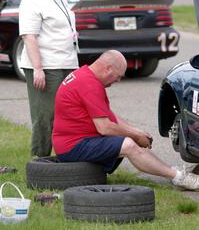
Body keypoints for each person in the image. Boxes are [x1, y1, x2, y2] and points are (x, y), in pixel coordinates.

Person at [52, 50, 199, 190]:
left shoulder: (85, 75)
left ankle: (172, 171)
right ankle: (179, 178)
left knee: (129, 138)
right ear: (108, 68)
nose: (119, 80)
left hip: (77, 140)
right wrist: (134, 136)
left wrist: (137, 131)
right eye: (118, 76)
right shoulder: (89, 85)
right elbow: (104, 127)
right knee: (128, 145)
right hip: (72, 147)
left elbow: (109, 116)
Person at [19, 0, 79, 157]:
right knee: (45, 115)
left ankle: (67, 155)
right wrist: (38, 68)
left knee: (69, 113)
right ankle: (40, 158)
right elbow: (29, 36)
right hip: (46, 66)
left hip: (66, 62)